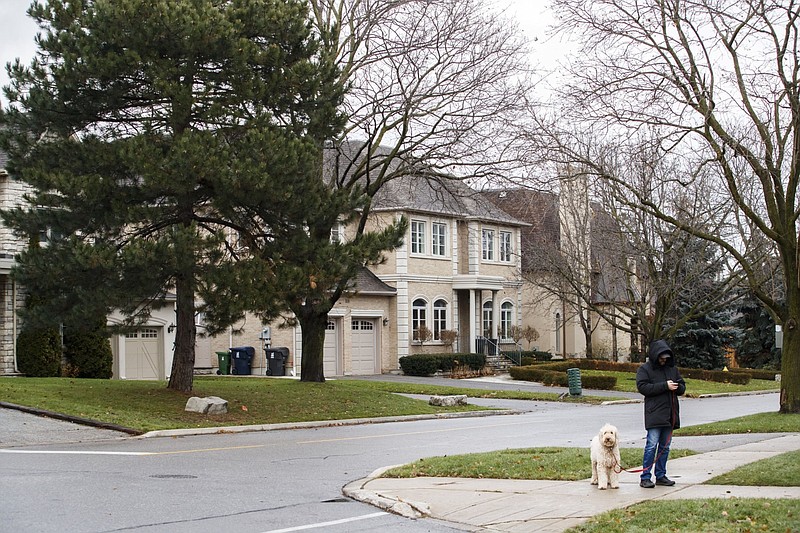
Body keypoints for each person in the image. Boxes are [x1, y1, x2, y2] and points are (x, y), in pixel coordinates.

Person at [636, 339, 686, 488]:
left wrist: (677, 387)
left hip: (670, 414)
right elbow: (643, 387)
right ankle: (645, 477)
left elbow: (682, 387)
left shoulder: (672, 369)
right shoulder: (645, 369)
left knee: (665, 447)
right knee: (651, 446)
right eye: (661, 358)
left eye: (666, 358)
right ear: (655, 356)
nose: (664, 361)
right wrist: (665, 386)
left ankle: (661, 475)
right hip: (654, 414)